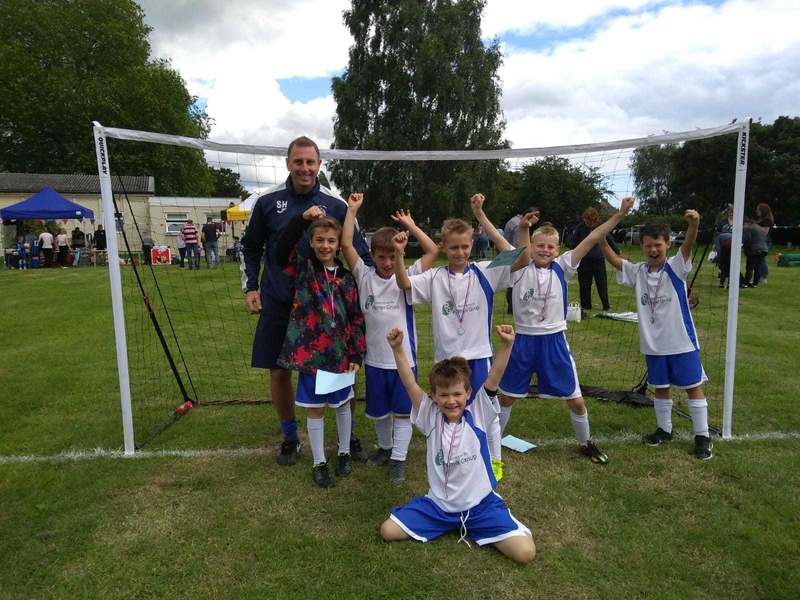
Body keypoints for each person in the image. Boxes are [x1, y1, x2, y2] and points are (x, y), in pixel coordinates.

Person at [241, 136, 373, 466]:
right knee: (278, 370)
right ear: (288, 163)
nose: (304, 168)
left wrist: (376, 291)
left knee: (343, 369)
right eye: (298, 161)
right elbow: (252, 247)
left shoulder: (337, 205)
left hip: (324, 305)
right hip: (279, 299)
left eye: (310, 162)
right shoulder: (268, 202)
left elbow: (357, 251)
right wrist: (251, 287)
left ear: (319, 165)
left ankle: (349, 435)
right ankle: (289, 436)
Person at [379, 325, 535, 564]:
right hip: (439, 508)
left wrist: (507, 345)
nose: (451, 401)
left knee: (525, 554)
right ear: (433, 396)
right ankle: (447, 523)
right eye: (443, 395)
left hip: (480, 507)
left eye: (457, 394)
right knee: (388, 531)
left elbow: (494, 376)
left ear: (468, 393)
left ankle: (491, 522)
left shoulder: (479, 413)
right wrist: (398, 348)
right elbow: (410, 383)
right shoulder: (430, 417)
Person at [496, 198, 634, 465]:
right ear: (531, 248)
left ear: (557, 249)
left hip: (554, 342)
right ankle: (492, 445)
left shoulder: (563, 265)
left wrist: (620, 214)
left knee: (576, 401)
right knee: (506, 397)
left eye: (550, 247)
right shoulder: (520, 266)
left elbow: (594, 236)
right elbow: (521, 248)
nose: (544, 251)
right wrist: (524, 227)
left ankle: (585, 443)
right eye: (539, 246)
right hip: (522, 341)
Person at [394, 211, 520, 476]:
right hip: (447, 359)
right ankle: (453, 456)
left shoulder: (487, 271)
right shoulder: (435, 277)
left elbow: (521, 256)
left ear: (472, 244)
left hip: (479, 354)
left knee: (488, 410)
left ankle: (494, 460)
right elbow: (404, 282)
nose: (460, 252)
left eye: (465, 246)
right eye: (453, 247)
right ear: (443, 247)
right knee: (448, 410)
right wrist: (399, 253)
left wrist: (481, 217)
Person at [599, 210, 714, 460]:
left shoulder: (676, 266)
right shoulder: (638, 271)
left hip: (681, 341)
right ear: (642, 246)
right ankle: (664, 430)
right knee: (660, 388)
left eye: (658, 245)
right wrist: (600, 239)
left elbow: (689, 244)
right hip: (653, 345)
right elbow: (615, 262)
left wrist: (693, 224)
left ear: (668, 244)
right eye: (648, 245)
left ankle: (703, 437)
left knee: (692, 387)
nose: (653, 250)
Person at [341, 195, 439, 486]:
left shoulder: (407, 275)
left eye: (391, 256)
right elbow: (346, 244)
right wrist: (352, 210)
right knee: (380, 413)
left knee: (402, 412)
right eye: (380, 257)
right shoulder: (364, 275)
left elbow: (433, 250)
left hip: (403, 361)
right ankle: (385, 448)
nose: (386, 262)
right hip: (374, 360)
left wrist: (410, 225)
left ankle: (398, 458)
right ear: (371, 255)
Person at [275, 207, 365, 488]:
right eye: (320, 240)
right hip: (312, 357)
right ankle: (319, 463)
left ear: (339, 245)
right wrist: (302, 220)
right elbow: (281, 250)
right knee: (315, 410)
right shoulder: (303, 268)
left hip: (340, 356)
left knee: (341, 406)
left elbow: (355, 317)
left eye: (331, 241)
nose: (325, 246)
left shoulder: (348, 279)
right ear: (312, 242)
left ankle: (343, 454)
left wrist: (355, 353)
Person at [570, 207, 622, 312]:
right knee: (584, 284)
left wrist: (617, 250)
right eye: (588, 221)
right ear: (584, 219)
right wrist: (572, 255)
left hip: (598, 259)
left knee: (602, 283)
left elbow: (609, 238)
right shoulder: (580, 228)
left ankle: (606, 306)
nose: (590, 223)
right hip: (584, 261)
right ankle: (586, 306)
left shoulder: (600, 226)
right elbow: (574, 243)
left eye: (593, 221)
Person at [503, 207, 538, 314]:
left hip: (511, 252)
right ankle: (512, 307)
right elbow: (520, 242)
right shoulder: (520, 224)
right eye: (535, 217)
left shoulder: (513, 220)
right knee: (514, 281)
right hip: (516, 254)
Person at [741, 217, 768, 288]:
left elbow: (747, 240)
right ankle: (755, 283)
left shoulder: (748, 228)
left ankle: (745, 283)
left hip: (754, 250)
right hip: (763, 249)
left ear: (746, 223)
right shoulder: (761, 228)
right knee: (758, 267)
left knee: (749, 267)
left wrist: (743, 247)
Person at [755, 203, 774, 284]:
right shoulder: (760, 220)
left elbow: (764, 232)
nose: (757, 211)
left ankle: (764, 277)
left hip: (764, 241)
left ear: (763, 210)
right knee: (758, 260)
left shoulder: (767, 220)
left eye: (758, 209)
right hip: (758, 241)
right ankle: (759, 277)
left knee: (762, 259)